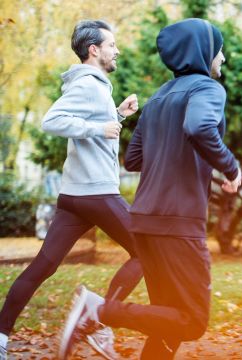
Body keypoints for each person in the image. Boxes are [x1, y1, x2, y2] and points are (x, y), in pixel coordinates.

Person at [57, 18, 241, 359]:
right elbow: (200, 127)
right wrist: (231, 167)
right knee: (192, 322)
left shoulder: (158, 98)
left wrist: (186, 162)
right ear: (202, 51)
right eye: (219, 50)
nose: (223, 58)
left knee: (167, 324)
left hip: (144, 221)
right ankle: (98, 311)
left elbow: (134, 158)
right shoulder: (208, 89)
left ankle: (99, 312)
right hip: (178, 223)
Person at [0, 20, 143, 360]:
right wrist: (99, 126)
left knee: (44, 264)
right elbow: (52, 121)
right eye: (112, 45)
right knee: (148, 253)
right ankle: (99, 320)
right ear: (94, 50)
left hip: (75, 195)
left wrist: (118, 117)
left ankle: (1, 336)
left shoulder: (95, 86)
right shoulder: (90, 85)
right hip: (97, 193)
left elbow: (95, 131)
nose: (117, 50)